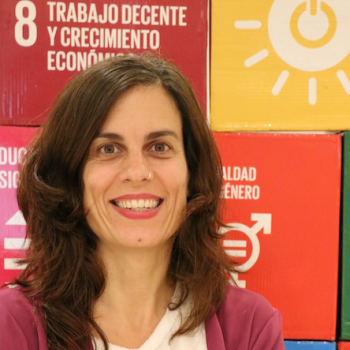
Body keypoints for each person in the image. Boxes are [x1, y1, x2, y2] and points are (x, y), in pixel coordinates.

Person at [0, 54, 285, 350]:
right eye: (109, 148)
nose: (138, 172)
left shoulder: (250, 326)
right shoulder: (11, 326)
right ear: (71, 175)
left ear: (192, 171)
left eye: (160, 147)